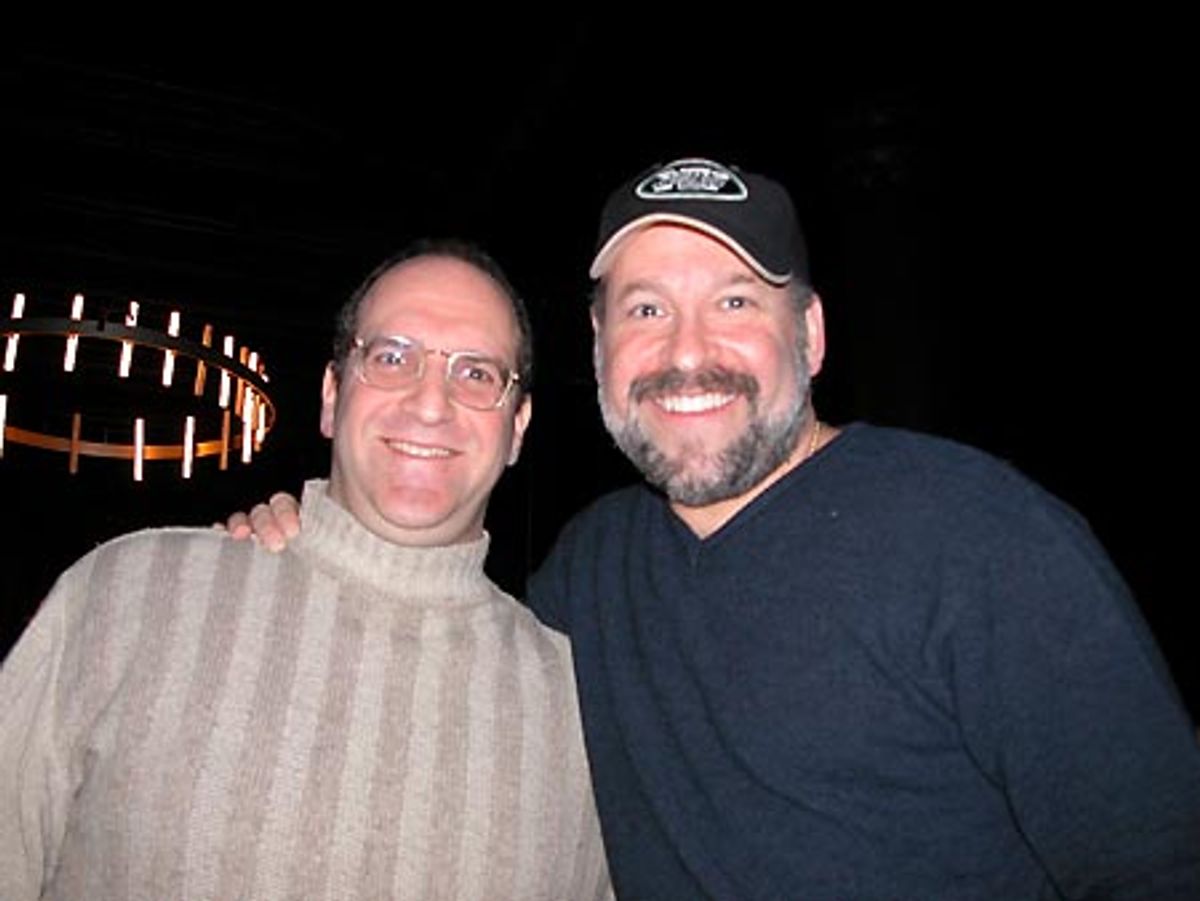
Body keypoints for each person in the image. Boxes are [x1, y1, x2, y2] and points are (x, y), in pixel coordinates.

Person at [229, 160, 1200, 899]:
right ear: (601, 351)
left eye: (735, 301)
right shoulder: (590, 574)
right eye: (646, 308)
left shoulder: (981, 539)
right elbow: (444, 673)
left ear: (810, 335)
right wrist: (306, 558)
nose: (687, 351)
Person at [0, 240, 611, 900]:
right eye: (391, 356)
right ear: (330, 394)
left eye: (476, 373)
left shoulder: (581, 711)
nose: (430, 402)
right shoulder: (124, 594)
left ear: (517, 426)